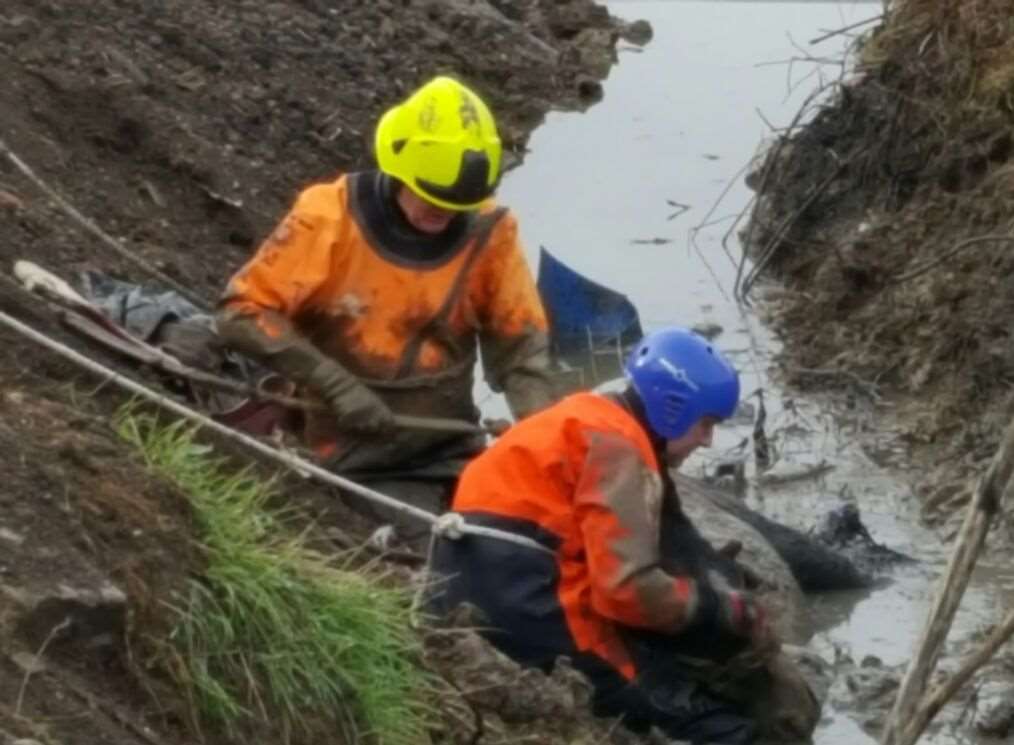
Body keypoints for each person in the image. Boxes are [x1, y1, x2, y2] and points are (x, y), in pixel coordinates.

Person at [216, 76, 557, 526]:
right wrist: (336, 385)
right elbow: (240, 313)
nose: (443, 215)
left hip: (446, 447)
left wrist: (541, 438)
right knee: (430, 544)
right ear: (399, 169)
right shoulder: (330, 216)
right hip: (341, 443)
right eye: (432, 201)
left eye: (456, 208)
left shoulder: (489, 233)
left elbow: (522, 353)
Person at [430, 327, 797, 745]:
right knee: (712, 724)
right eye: (706, 423)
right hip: (529, 602)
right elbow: (626, 590)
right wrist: (719, 610)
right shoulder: (619, 447)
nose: (708, 439)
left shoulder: (581, 416)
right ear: (672, 408)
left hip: (460, 585)